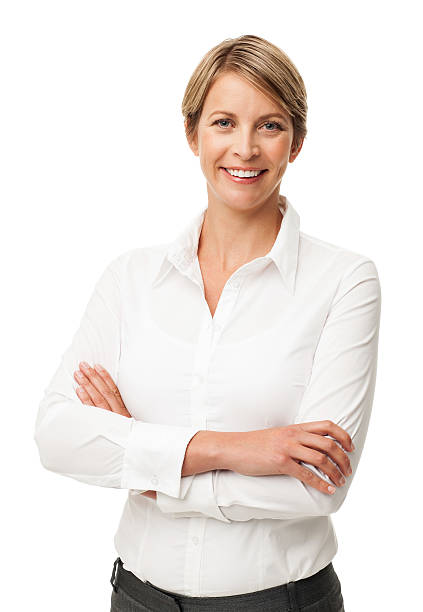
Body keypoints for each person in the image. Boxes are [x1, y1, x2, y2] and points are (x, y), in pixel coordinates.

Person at [34, 34, 381, 611]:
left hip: (279, 602)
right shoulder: (130, 279)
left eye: (269, 125)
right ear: (193, 133)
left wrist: (145, 466)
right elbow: (56, 436)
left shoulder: (345, 281)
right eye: (224, 122)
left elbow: (319, 487)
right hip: (137, 598)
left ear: (296, 143)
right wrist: (240, 449)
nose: (244, 148)